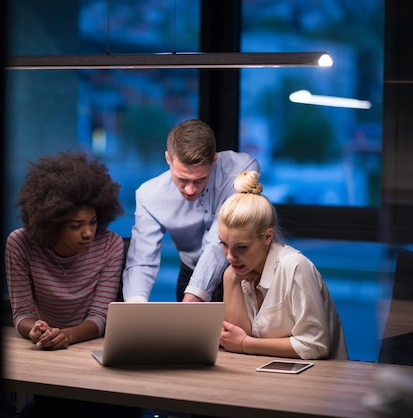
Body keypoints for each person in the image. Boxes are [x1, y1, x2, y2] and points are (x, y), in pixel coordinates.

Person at [5, 151, 146, 417]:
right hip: (45, 362)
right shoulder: (20, 244)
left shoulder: (110, 245)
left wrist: (66, 336)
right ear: (52, 223)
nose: (88, 233)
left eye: (93, 222)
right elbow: (22, 313)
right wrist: (35, 330)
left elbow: (100, 317)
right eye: (76, 225)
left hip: (92, 358)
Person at [122, 119, 260, 303]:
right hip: (190, 272)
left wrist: (197, 292)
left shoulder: (241, 170)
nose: (190, 190)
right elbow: (142, 260)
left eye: (199, 180)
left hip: (241, 271)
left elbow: (219, 237)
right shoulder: (149, 196)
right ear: (168, 159)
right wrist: (135, 305)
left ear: (214, 159)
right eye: (182, 180)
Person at [218, 171, 348, 360]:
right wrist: (231, 279)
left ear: (268, 237)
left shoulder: (295, 267)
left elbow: (315, 345)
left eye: (242, 248)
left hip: (317, 380)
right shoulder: (240, 270)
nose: (230, 256)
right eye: (223, 244)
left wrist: (246, 344)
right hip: (267, 378)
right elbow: (234, 343)